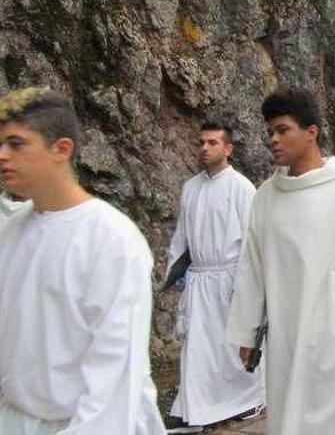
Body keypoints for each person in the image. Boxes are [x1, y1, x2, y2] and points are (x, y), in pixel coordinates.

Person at [226, 87, 335, 435]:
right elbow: (252, 269)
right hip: (284, 338)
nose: (273, 139)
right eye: (269, 131)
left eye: (283, 130)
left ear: (312, 132)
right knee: (290, 419)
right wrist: (246, 330)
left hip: (334, 335)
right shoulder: (266, 198)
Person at [0, 87, 165, 434]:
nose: (2, 155)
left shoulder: (112, 240)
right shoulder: (10, 233)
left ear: (61, 149)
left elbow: (115, 370)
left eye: (16, 144)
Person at [165, 123, 265, 433]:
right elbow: (182, 237)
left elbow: (252, 239)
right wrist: (176, 273)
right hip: (200, 278)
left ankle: (248, 399)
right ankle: (195, 404)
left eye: (212, 142)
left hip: (229, 278)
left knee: (230, 345)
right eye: (201, 142)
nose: (204, 148)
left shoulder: (242, 188)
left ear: (228, 149)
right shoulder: (190, 188)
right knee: (197, 346)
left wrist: (247, 286)